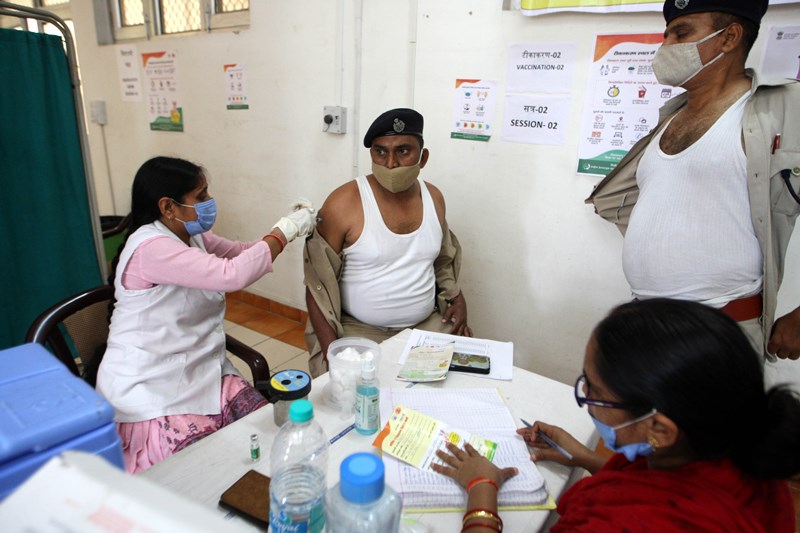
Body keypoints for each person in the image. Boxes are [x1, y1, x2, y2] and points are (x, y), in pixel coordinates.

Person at [433, 298, 800, 532]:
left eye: (594, 391)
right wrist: (587, 457)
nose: (586, 399)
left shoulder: (619, 523)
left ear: (660, 428)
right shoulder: (748, 459)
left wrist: (481, 490)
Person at [586, 0, 800, 363]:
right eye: (667, 34)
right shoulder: (671, 117)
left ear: (729, 37)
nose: (667, 45)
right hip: (645, 323)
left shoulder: (781, 109)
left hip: (720, 331)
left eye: (682, 33)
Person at [96, 156, 316, 473]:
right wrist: (284, 231)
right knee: (206, 471)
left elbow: (242, 253)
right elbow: (231, 275)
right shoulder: (150, 248)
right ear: (168, 207)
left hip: (202, 370)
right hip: (153, 388)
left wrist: (288, 228)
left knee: (267, 437)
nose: (210, 203)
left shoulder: (191, 235)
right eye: (200, 197)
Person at [304, 108, 471, 377]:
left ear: (423, 157)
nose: (390, 163)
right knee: (362, 407)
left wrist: (457, 298)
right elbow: (317, 284)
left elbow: (442, 260)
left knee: (449, 394)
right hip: (358, 331)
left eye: (403, 151)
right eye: (380, 152)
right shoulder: (343, 203)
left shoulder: (434, 199)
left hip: (426, 326)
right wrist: (332, 352)